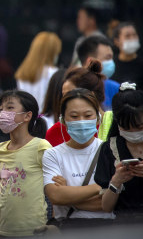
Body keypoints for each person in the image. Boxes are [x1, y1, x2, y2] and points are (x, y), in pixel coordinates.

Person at [94, 83, 143, 222]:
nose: (134, 133)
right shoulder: (109, 148)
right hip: (126, 225)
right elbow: (107, 206)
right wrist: (116, 181)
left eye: (140, 126)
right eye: (126, 128)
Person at [42, 88, 114, 230]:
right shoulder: (52, 154)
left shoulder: (111, 150)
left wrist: (68, 194)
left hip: (107, 229)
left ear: (98, 118)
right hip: (68, 229)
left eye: (88, 115)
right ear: (63, 120)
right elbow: (55, 196)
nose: (81, 121)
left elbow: (112, 203)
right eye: (74, 116)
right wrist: (101, 187)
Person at [0, 90, 50, 237]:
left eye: (10, 108)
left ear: (27, 116)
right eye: (1, 109)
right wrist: (2, 194)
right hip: (5, 230)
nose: (3, 113)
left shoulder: (41, 146)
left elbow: (55, 185)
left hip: (35, 231)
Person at [45, 60, 105, 147]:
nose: (65, 100)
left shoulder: (114, 125)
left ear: (92, 95)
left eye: (71, 94)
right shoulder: (55, 132)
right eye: (64, 95)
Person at [15, 31, 62, 111]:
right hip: (48, 120)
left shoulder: (22, 73)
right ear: (52, 53)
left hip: (28, 120)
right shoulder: (55, 73)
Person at [77, 35, 120, 110]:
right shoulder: (71, 86)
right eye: (107, 58)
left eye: (111, 58)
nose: (111, 62)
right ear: (90, 62)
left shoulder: (116, 88)